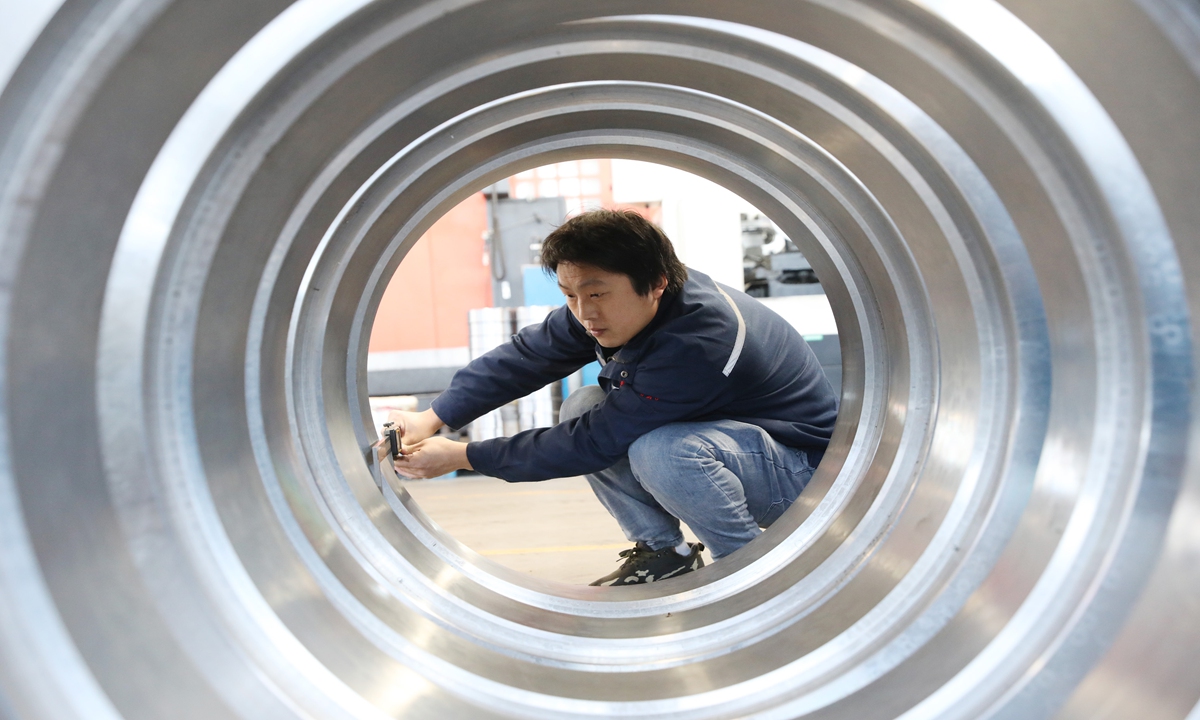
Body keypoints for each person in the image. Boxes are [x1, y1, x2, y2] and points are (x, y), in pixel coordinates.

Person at [388, 209, 838, 586]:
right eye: (570, 295)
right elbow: (527, 358)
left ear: (656, 283)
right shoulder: (616, 305)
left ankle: (751, 573)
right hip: (735, 447)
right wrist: (434, 416)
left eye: (597, 294)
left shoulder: (700, 342)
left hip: (803, 477)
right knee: (583, 403)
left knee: (661, 450)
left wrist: (463, 456)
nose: (585, 312)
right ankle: (666, 555)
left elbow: (592, 443)